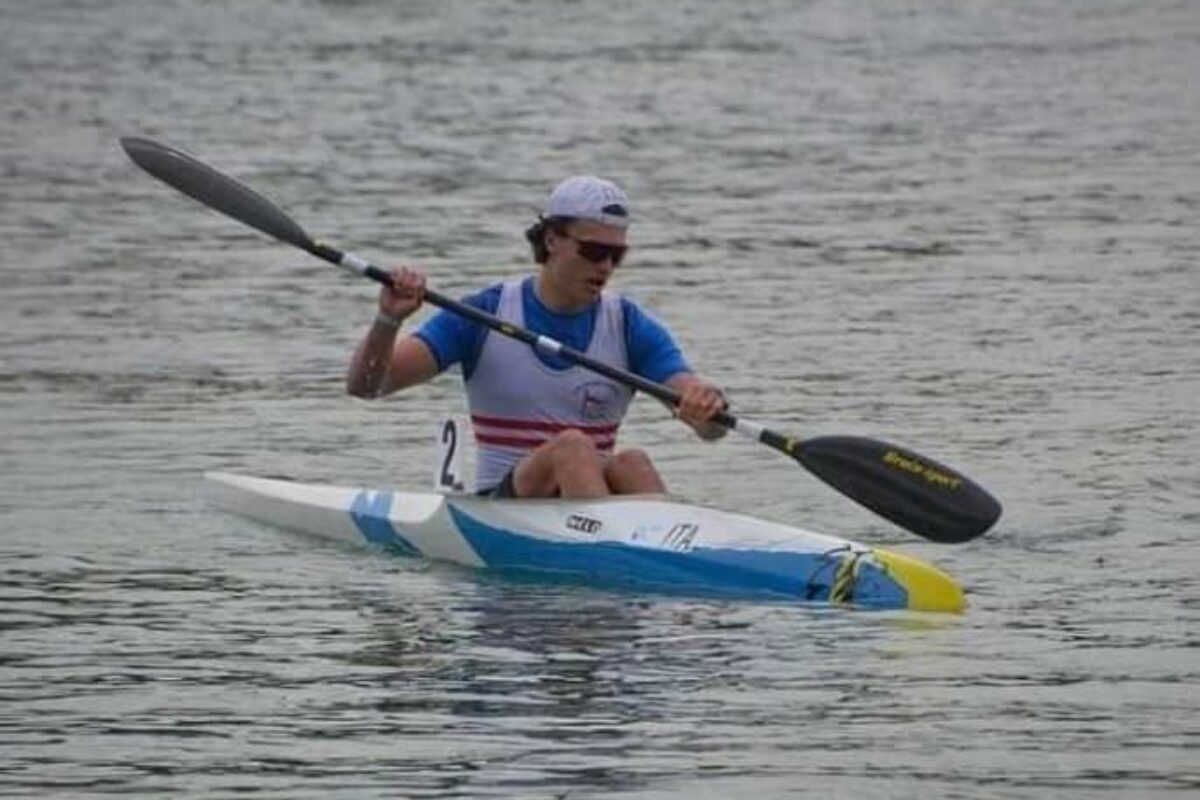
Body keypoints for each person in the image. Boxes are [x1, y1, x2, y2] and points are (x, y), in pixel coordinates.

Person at [346, 175, 728, 498]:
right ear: (552, 241)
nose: (606, 266)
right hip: (503, 507)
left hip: (585, 501)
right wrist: (387, 320)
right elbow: (366, 386)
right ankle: (612, 558)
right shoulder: (483, 314)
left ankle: (671, 561)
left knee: (633, 462)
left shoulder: (629, 325)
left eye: (617, 255)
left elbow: (707, 426)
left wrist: (705, 407)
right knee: (573, 447)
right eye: (594, 251)